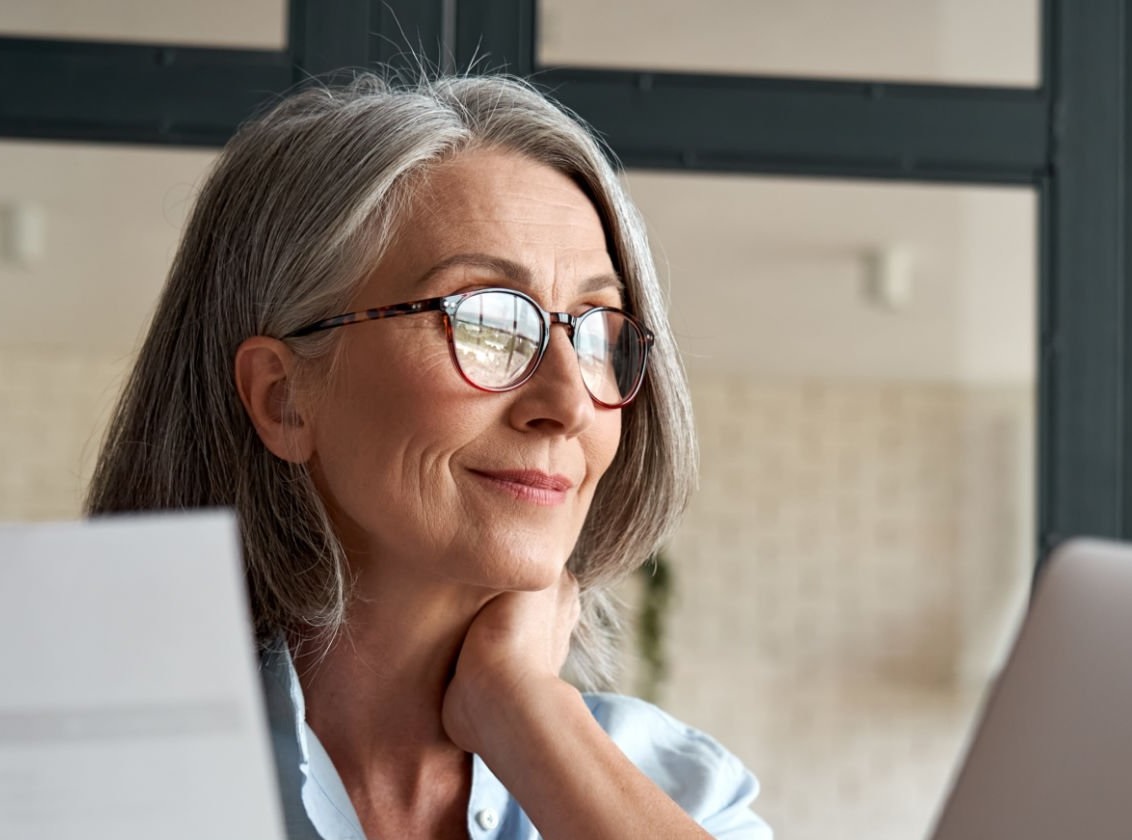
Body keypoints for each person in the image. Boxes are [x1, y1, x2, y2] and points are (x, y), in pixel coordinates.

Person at [86, 73, 770, 840]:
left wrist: (523, 711)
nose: (570, 403)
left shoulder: (679, 792)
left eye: (597, 328)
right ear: (282, 397)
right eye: (484, 320)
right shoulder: (80, 769)